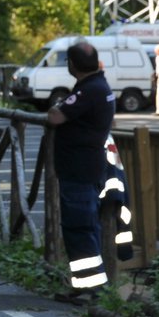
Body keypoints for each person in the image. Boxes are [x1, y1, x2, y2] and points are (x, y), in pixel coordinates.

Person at [47, 40, 116, 290]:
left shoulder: (90, 90)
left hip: (80, 169)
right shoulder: (98, 85)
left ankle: (93, 288)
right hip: (88, 166)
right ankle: (86, 285)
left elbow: (56, 116)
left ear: (72, 64)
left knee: (79, 227)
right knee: (84, 226)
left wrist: (57, 105)